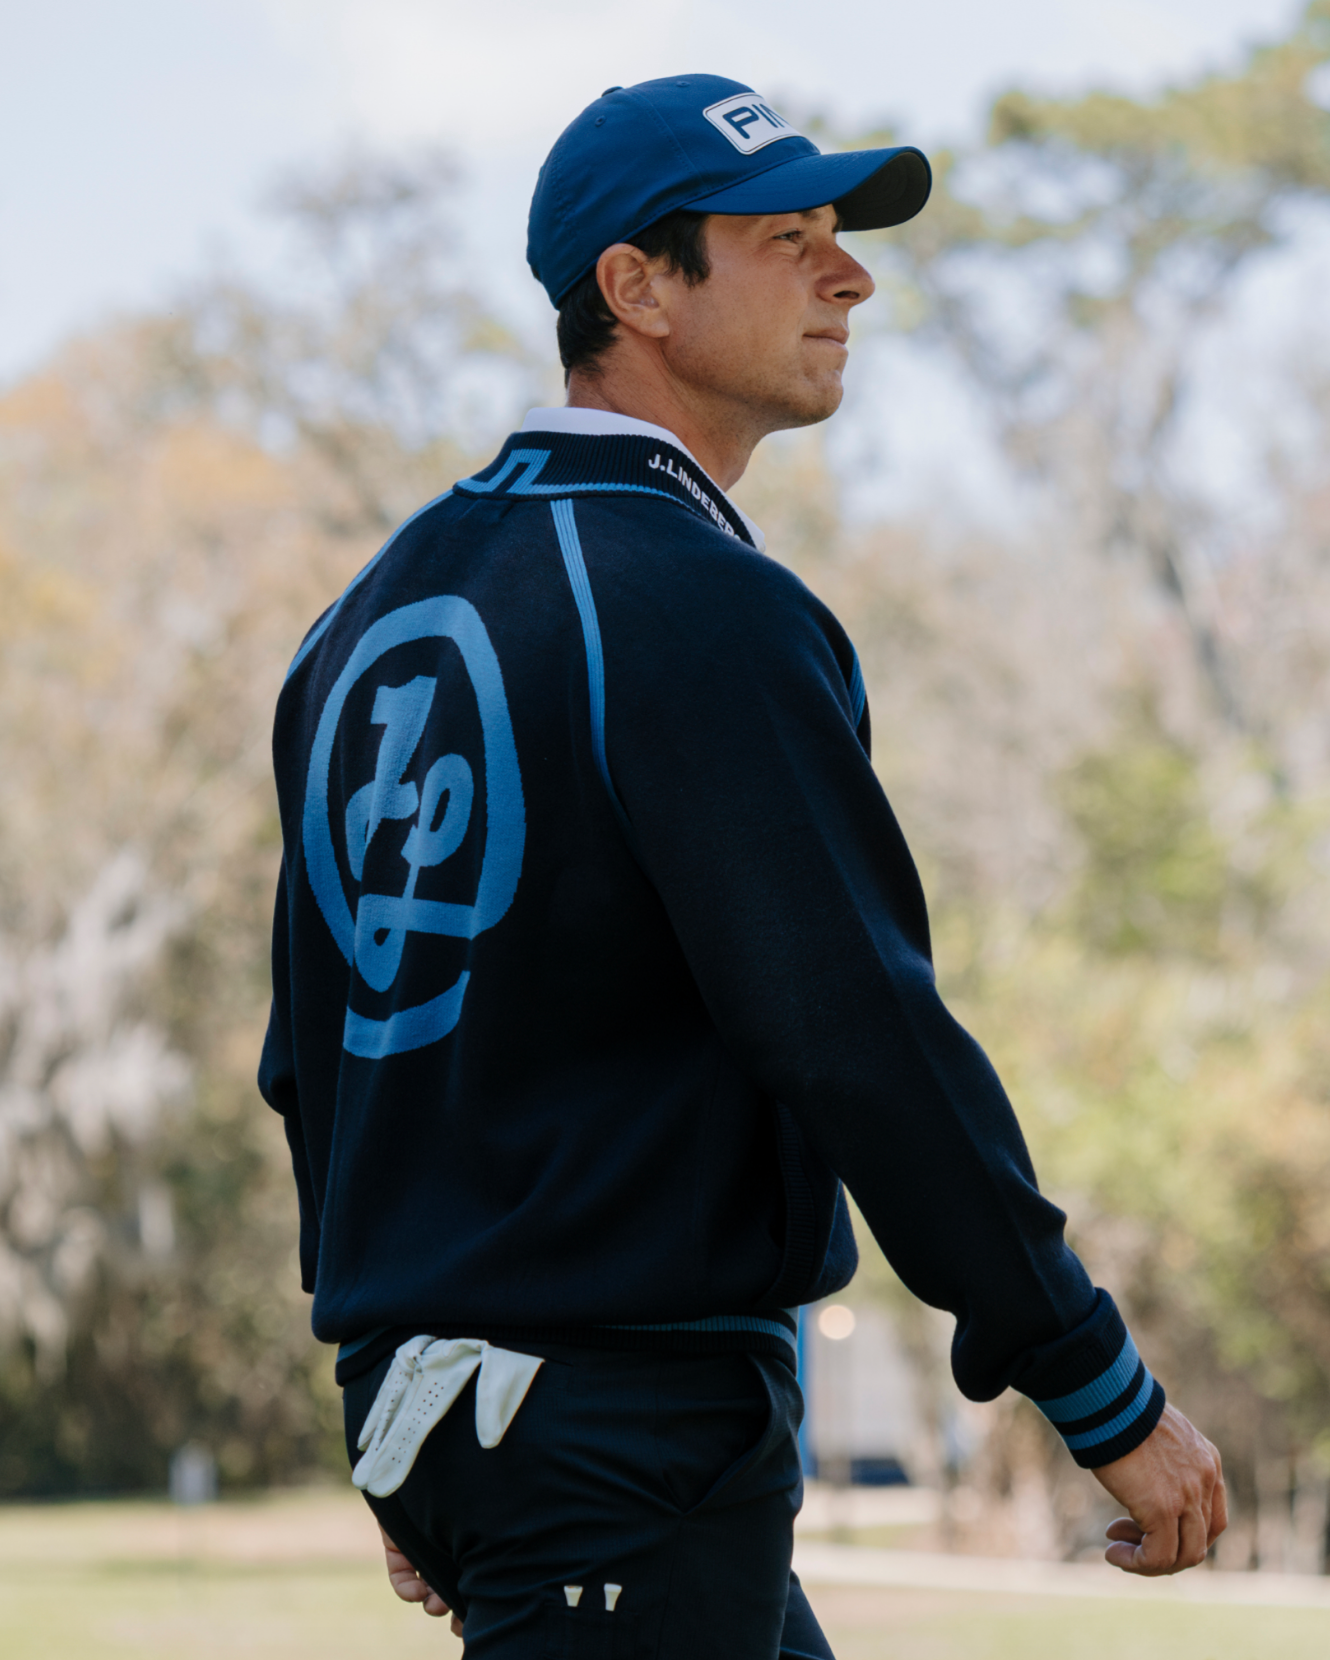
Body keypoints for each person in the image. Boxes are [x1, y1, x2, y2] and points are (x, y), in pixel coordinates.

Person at [258, 74, 1226, 1659]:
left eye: (839, 236)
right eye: (787, 239)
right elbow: (856, 1036)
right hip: (625, 1430)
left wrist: (393, 1386)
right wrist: (1089, 1377)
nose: (848, 277)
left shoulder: (354, 623)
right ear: (636, 288)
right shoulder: (693, 602)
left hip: (515, 1429)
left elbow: (317, 1060)